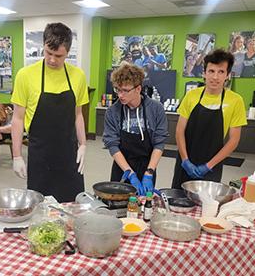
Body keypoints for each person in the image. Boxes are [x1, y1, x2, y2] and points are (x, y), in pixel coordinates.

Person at [11, 22, 89, 202]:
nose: (52, 60)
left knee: (73, 206)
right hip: (40, 155)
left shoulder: (78, 76)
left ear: (68, 52)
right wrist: (16, 156)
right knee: (41, 209)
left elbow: (78, 114)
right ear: (43, 46)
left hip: (69, 154)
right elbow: (17, 118)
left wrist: (83, 144)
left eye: (59, 55)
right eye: (48, 53)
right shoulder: (26, 75)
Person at [172, 49, 247, 189]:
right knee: (177, 202)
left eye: (221, 72)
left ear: (228, 75)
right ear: (204, 73)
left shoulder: (235, 101)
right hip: (185, 161)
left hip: (212, 165)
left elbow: (234, 140)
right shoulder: (191, 95)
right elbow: (179, 131)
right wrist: (185, 160)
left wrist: (208, 165)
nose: (215, 77)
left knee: (207, 206)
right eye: (211, 71)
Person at [103, 62, 168, 196]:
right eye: (117, 89)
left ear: (138, 89)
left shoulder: (156, 109)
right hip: (122, 168)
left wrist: (149, 173)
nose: (120, 95)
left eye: (125, 90)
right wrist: (130, 174)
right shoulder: (112, 112)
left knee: (144, 206)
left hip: (147, 166)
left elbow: (159, 143)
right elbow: (112, 145)